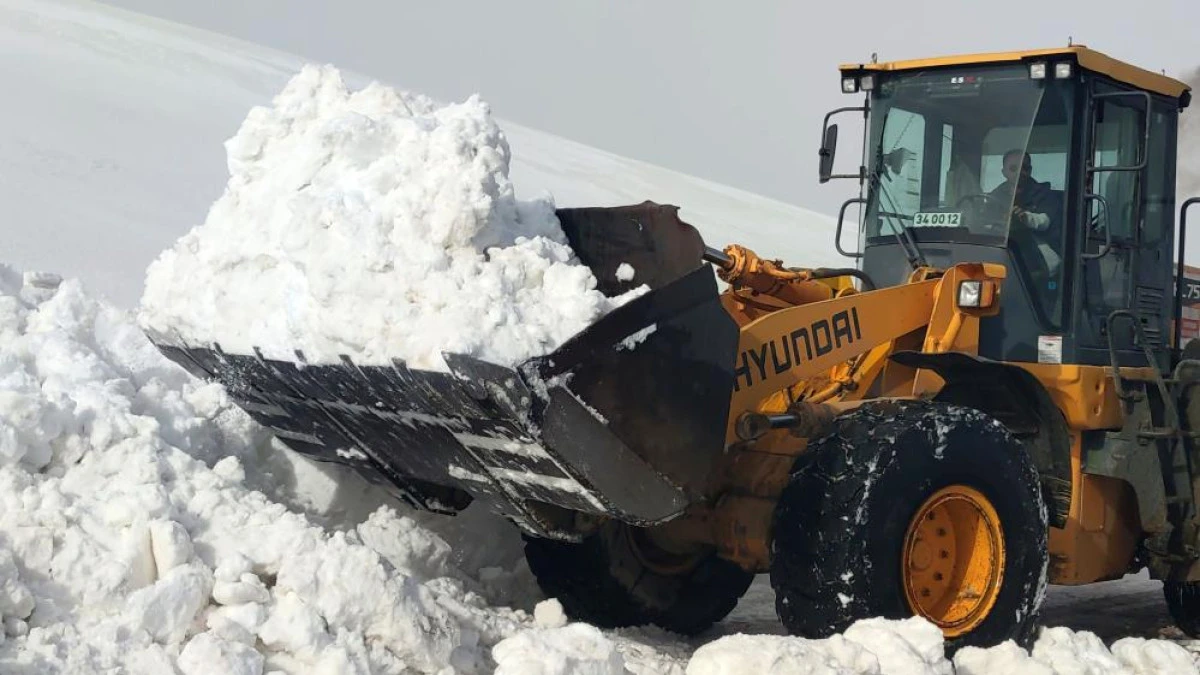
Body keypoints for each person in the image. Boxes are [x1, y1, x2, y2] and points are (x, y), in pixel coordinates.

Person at [990, 149, 1062, 276]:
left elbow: (1044, 221)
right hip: (1001, 250)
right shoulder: (994, 196)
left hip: (1039, 256)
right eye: (1013, 168)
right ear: (1004, 172)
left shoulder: (1044, 194)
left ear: (1030, 170)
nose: (1019, 172)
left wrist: (1024, 217)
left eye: (1025, 168)